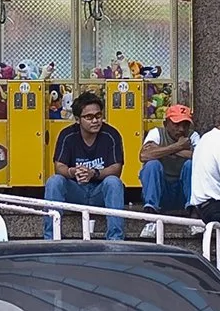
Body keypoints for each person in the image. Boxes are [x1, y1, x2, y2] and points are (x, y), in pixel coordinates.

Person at [41, 92, 127, 241]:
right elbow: (59, 166)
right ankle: (51, 238)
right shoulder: (67, 135)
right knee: (54, 181)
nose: (95, 121)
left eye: (98, 116)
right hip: (76, 190)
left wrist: (94, 173)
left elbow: (116, 168)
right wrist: (72, 171)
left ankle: (116, 239)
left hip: (100, 192)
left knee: (114, 182)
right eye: (89, 117)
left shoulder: (111, 135)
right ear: (77, 119)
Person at [139, 104, 198, 236]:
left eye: (185, 125)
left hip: (183, 192)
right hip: (162, 191)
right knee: (152, 165)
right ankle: (151, 217)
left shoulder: (193, 136)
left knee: (191, 165)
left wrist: (162, 150)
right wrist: (178, 147)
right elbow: (144, 155)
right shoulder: (156, 133)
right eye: (176, 124)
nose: (181, 129)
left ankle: (194, 217)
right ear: (166, 123)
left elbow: (200, 158)